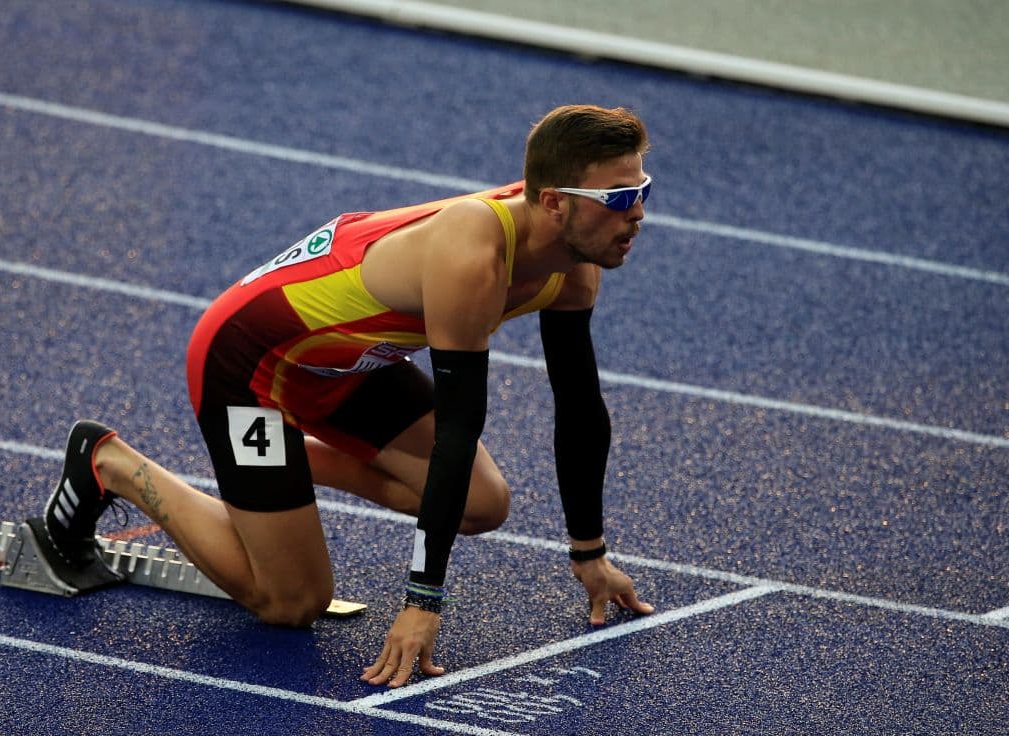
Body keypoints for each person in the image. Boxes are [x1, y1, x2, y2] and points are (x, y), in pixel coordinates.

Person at [43, 103, 655, 689]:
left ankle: (277, 470)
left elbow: (579, 408)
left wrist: (590, 555)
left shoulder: (577, 257)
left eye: (643, 191)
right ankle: (111, 464)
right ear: (554, 203)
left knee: (482, 505)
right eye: (622, 200)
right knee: (291, 603)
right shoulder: (472, 255)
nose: (638, 216)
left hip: (352, 363)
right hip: (251, 361)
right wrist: (422, 602)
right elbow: (460, 428)